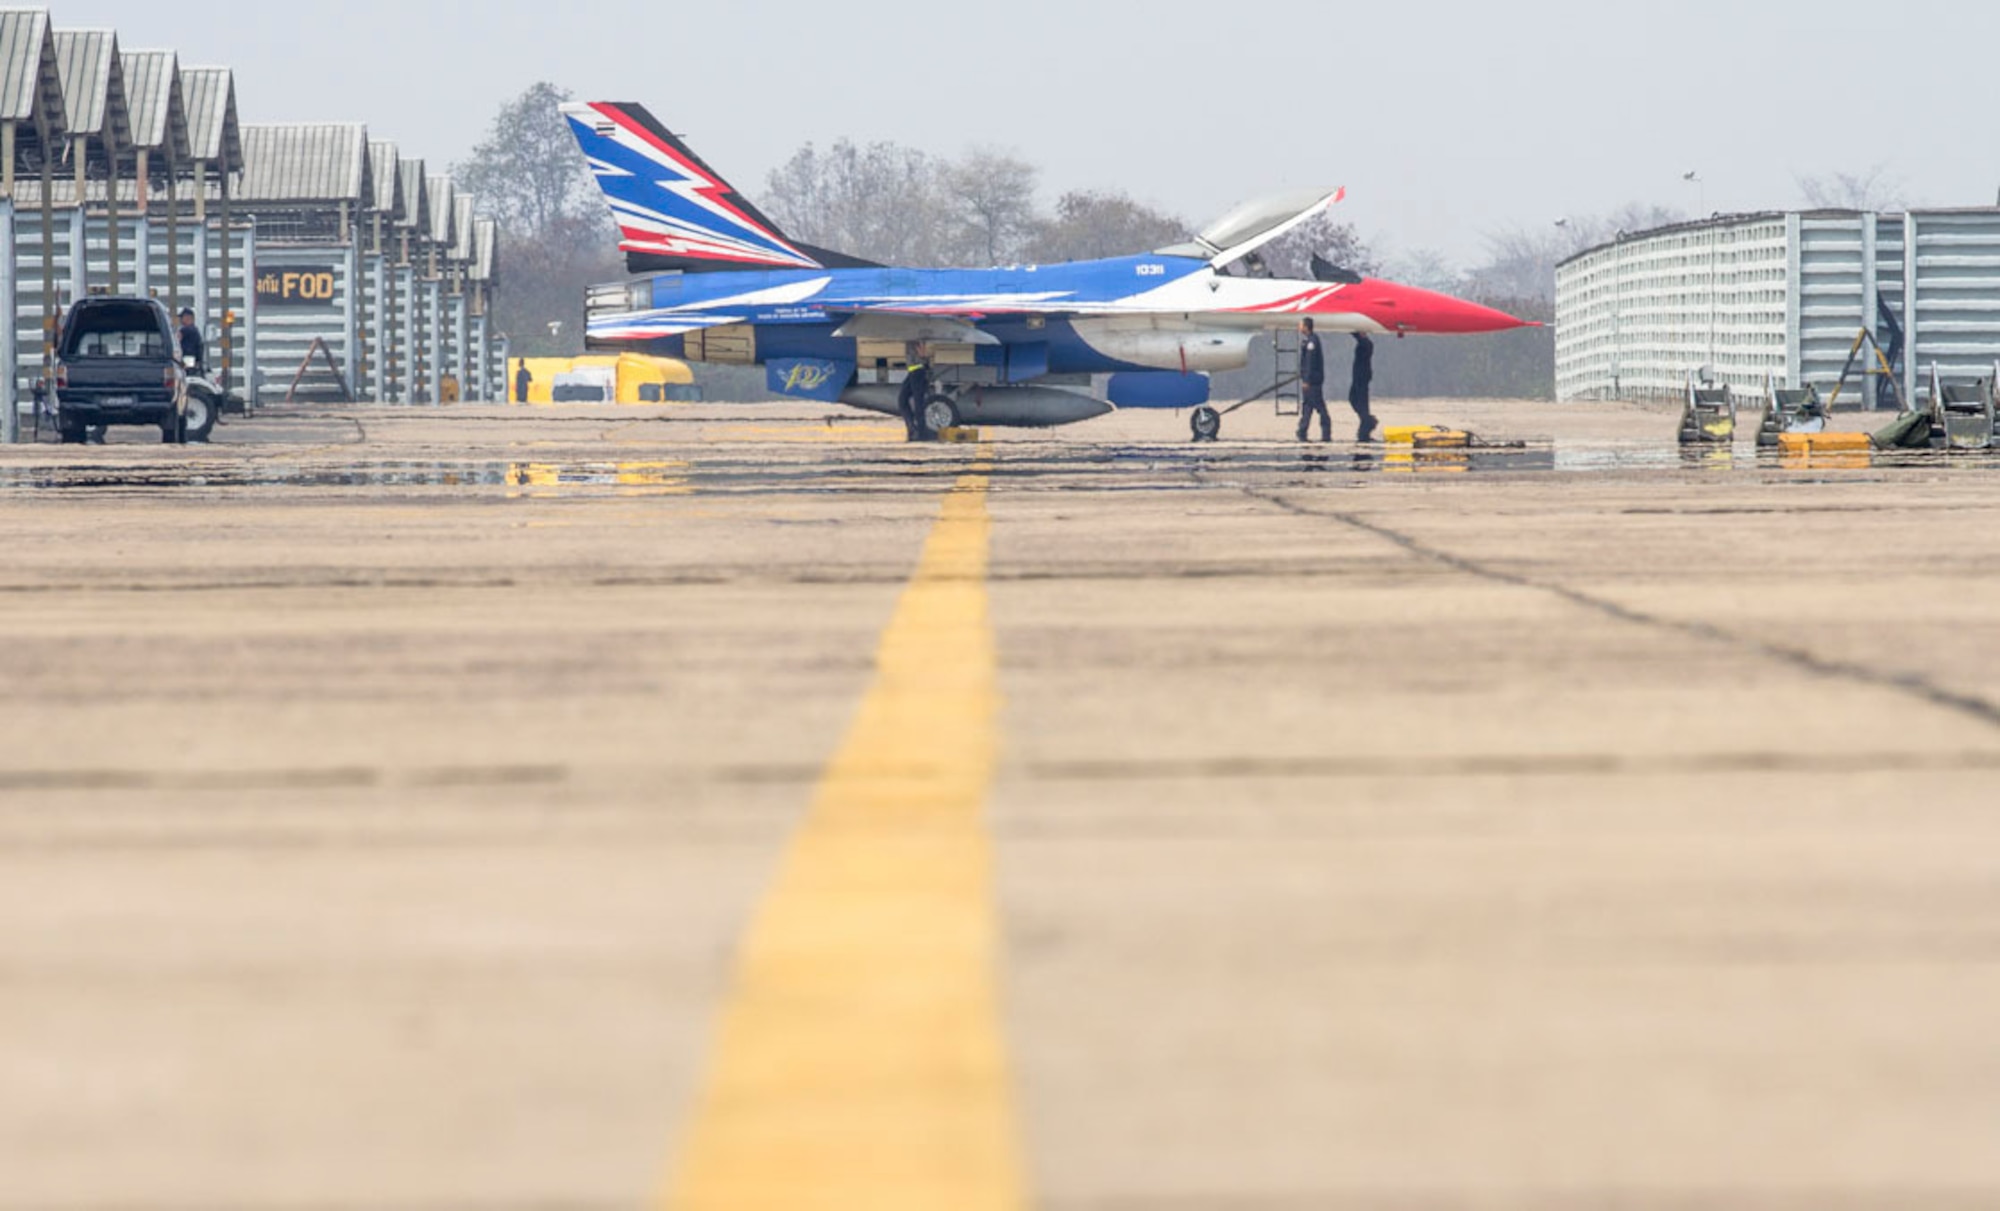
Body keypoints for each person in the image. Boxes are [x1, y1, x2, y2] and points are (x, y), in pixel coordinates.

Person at [1295, 318, 1330, 443]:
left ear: (1306, 327)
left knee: (1318, 406)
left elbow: (1310, 362)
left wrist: (1307, 380)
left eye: (1301, 325)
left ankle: (1326, 432)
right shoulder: (1308, 341)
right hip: (1310, 380)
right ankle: (1302, 431)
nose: (1299, 327)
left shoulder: (1312, 342)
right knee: (1308, 406)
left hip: (1313, 381)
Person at [898, 345, 932, 441]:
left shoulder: (916, 338)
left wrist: (923, 357)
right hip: (913, 371)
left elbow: (923, 352)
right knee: (903, 400)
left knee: (918, 403)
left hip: (918, 371)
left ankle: (921, 433)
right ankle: (912, 429)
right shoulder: (911, 338)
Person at [1350, 332, 1380, 442]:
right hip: (1358, 376)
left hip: (1362, 376)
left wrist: (1357, 333)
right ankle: (1366, 421)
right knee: (1353, 399)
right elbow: (1359, 339)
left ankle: (1367, 423)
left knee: (1360, 401)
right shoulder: (1364, 343)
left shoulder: (1367, 344)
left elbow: (1362, 341)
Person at [177, 308, 205, 373]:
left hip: (187, 361)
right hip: (193, 362)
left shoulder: (185, 330)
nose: (180, 320)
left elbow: (175, 341)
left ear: (188, 317)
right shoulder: (195, 330)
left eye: (182, 317)